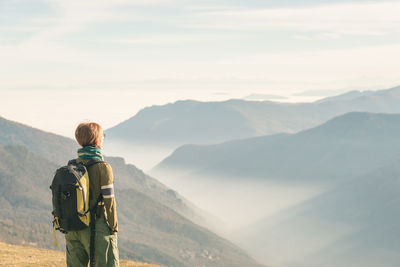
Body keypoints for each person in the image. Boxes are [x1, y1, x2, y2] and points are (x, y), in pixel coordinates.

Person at [65, 122, 119, 267]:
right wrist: (113, 228)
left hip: (73, 228)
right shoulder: (103, 168)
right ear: (97, 141)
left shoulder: (72, 166)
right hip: (97, 227)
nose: (103, 139)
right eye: (102, 137)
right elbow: (110, 202)